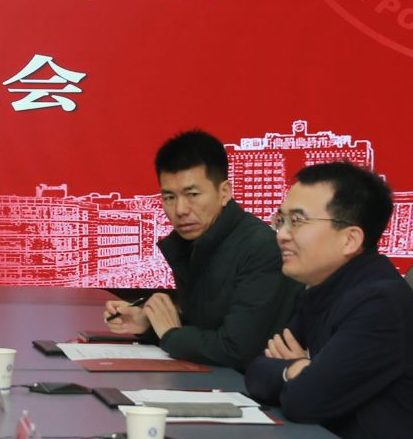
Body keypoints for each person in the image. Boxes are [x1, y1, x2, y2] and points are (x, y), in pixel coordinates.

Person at [243, 162, 413, 439]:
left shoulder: (379, 302)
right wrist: (298, 369)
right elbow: (257, 372)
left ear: (350, 239)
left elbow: (305, 401)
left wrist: (300, 374)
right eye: (281, 220)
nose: (282, 234)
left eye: (298, 221)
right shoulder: (321, 289)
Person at [101, 130, 297, 367]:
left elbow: (238, 349)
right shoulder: (194, 242)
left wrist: (171, 334)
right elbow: (205, 327)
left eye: (192, 194)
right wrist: (148, 325)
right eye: (169, 197)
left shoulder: (262, 248)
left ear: (224, 192)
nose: (180, 209)